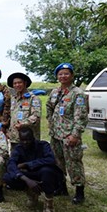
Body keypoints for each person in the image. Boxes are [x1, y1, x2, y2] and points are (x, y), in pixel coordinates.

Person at [46, 62, 89, 204]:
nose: (63, 76)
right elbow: (49, 107)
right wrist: (50, 122)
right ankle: (61, 187)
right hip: (56, 134)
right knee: (58, 162)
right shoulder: (55, 92)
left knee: (74, 162)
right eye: (60, 74)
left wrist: (75, 134)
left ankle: (79, 191)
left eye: (66, 73)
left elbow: (81, 116)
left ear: (72, 75)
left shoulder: (78, 94)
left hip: (69, 135)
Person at [4, 126, 64, 212]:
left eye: (28, 139)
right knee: (8, 177)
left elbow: (51, 160)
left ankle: (49, 205)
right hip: (30, 177)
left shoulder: (44, 145)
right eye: (23, 140)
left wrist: (27, 165)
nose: (25, 142)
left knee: (47, 171)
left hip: (44, 176)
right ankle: (31, 192)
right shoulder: (18, 149)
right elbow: (11, 165)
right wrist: (27, 180)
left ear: (33, 137)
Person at [7, 72, 42, 152]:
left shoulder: (33, 99)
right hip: (14, 138)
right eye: (15, 83)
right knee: (15, 160)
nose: (17, 85)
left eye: (19, 83)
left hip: (28, 139)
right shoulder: (13, 99)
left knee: (28, 162)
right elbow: (11, 116)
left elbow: (36, 116)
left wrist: (23, 124)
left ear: (25, 83)